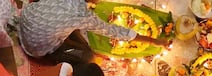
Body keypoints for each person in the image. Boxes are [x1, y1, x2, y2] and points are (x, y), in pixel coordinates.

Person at [17, 0, 162, 63]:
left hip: (24, 18)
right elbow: (113, 31)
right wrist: (153, 41)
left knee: (69, 26)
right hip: (35, 47)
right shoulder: (83, 15)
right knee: (86, 55)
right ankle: (57, 58)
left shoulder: (81, 16)